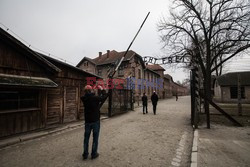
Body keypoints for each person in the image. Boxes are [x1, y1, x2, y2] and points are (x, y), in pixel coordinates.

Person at [81, 85, 108, 160]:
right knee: (95, 138)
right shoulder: (95, 98)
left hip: (87, 121)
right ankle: (94, 153)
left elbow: (87, 96)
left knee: (86, 138)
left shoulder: (83, 98)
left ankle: (85, 154)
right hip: (95, 120)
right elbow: (104, 97)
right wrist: (102, 89)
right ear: (91, 91)